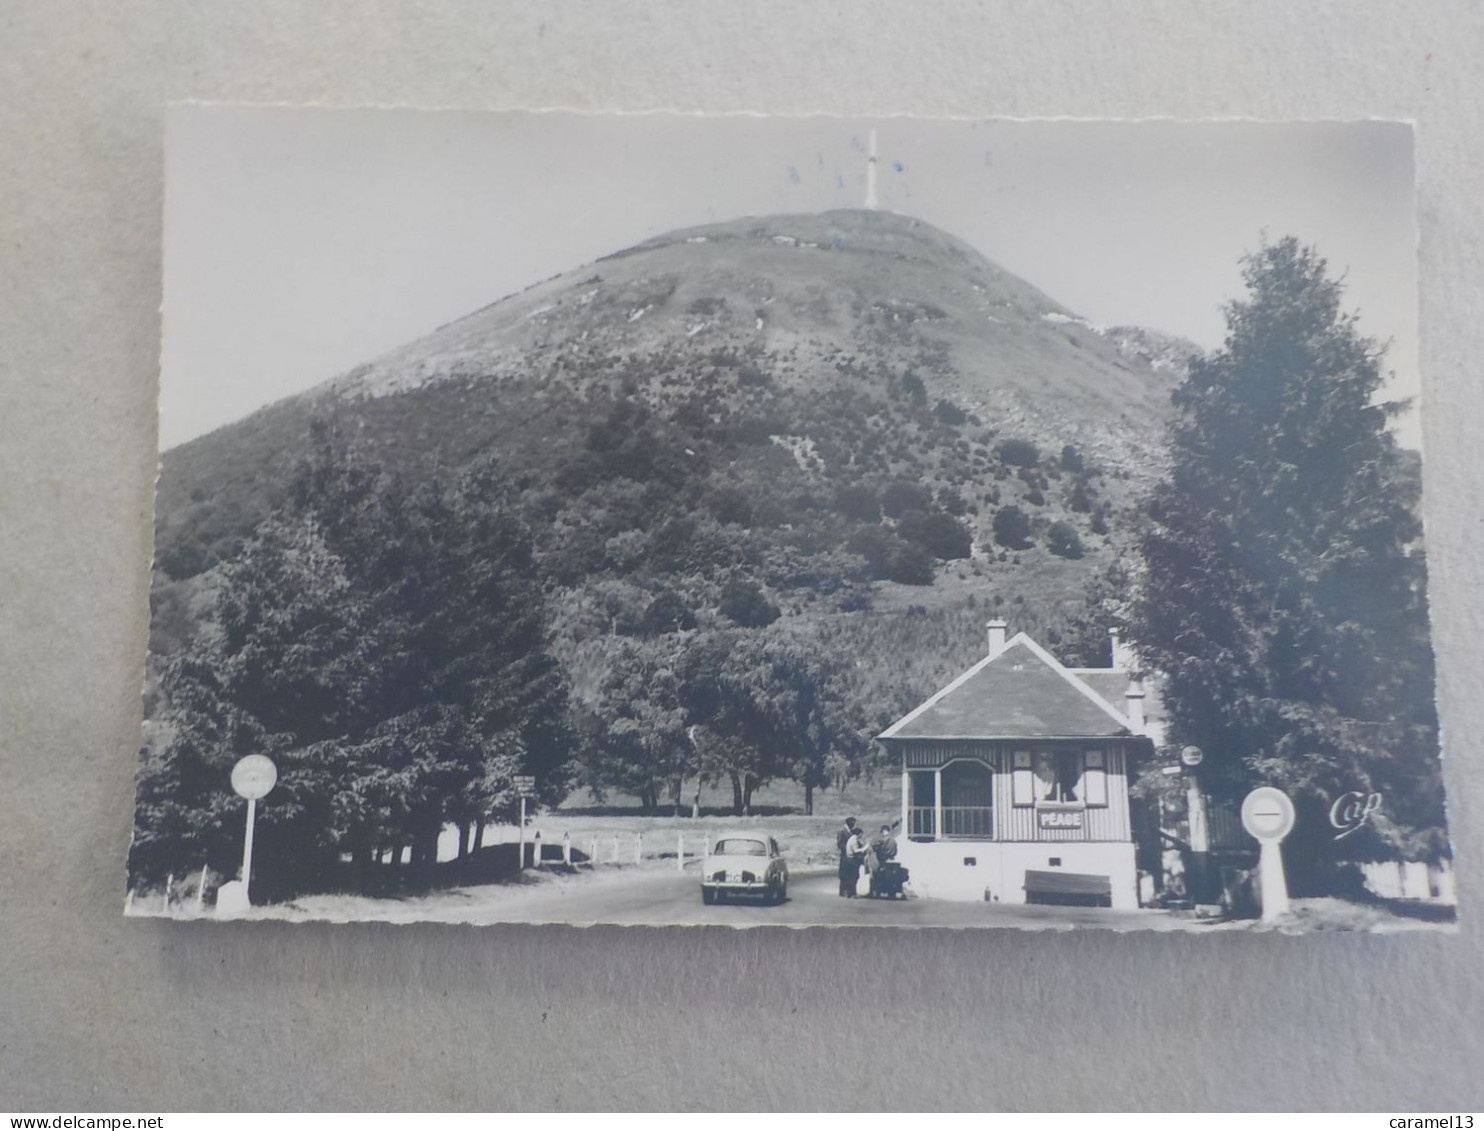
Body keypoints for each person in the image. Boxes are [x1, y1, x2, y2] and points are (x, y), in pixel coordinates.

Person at [842, 825, 868, 898]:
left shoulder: (852, 839)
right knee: (854, 877)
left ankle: (850, 892)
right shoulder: (854, 840)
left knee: (851, 877)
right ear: (859, 833)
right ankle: (852, 892)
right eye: (861, 834)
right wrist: (864, 849)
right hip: (852, 860)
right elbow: (855, 850)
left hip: (849, 860)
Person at [836, 817, 859, 897]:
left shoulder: (852, 831)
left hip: (851, 855)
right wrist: (847, 848)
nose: (853, 825)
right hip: (844, 855)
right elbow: (839, 844)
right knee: (844, 874)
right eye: (852, 823)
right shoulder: (842, 831)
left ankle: (850, 890)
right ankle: (843, 890)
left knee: (851, 874)